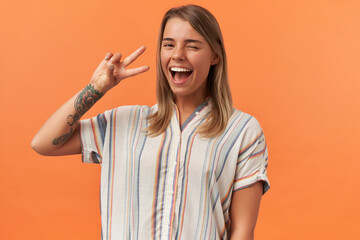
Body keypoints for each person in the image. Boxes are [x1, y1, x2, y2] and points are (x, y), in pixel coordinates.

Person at [32, 4, 269, 240]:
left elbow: (242, 231)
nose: (177, 54)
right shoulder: (123, 123)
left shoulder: (243, 132)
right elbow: (44, 143)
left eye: (192, 45)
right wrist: (95, 88)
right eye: (168, 45)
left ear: (215, 55)